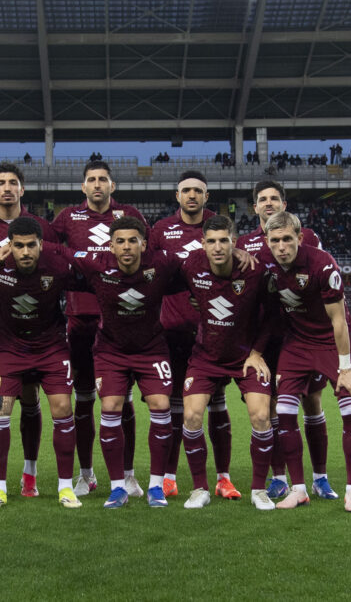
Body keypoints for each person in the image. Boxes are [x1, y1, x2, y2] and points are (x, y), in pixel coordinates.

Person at [70, 217, 183, 508]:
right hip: (110, 351)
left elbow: (197, 265)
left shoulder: (163, 263)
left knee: (161, 405)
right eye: (120, 241)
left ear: (144, 244)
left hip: (152, 349)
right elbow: (60, 254)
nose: (127, 246)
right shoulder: (97, 264)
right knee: (110, 407)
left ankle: (156, 487)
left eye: (133, 240)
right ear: (111, 245)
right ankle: (118, 487)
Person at [50, 160, 147, 497]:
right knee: (84, 400)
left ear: (112, 186)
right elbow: (50, 250)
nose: (97, 185)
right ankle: (86, 474)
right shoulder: (67, 218)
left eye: (103, 179)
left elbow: (145, 256)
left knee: (124, 400)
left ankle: (130, 475)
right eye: (91, 180)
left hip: (122, 320)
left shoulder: (129, 215)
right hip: (80, 321)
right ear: (83, 187)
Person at [236, 180, 336, 501]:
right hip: (265, 338)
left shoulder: (309, 240)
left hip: (303, 334)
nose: (269, 203)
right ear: (255, 208)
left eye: (274, 198)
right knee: (275, 407)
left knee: (312, 402)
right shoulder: (245, 244)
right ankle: (279, 476)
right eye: (262, 199)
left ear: (284, 204)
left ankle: (320, 476)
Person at [264, 211, 351, 512]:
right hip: (296, 343)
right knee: (283, 411)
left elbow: (339, 320)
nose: (281, 246)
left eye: (287, 239)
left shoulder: (323, 264)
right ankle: (297, 489)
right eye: (275, 241)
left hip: (330, 343)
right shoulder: (267, 267)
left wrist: (345, 367)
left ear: (299, 237)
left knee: (350, 408)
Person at [0, 217, 81, 510]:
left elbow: (96, 279)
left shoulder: (58, 266)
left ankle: (65, 488)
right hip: (9, 348)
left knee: (62, 408)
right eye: (18, 246)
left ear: (40, 245)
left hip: (50, 347)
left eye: (31, 246)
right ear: (9, 246)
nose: (25, 252)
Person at [148, 171, 239, 501]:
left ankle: (223, 477)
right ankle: (169, 476)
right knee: (173, 406)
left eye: (197, 191)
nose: (191, 195)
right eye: (185, 190)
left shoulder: (219, 226)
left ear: (206, 195)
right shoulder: (160, 230)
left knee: (216, 403)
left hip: (213, 332)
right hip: (171, 332)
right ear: (177, 196)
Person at [0, 164, 56, 499]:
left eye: (13, 183)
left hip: (30, 325)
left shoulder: (41, 227)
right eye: (1, 183)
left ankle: (30, 474)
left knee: (31, 398)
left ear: (23, 189)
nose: (7, 188)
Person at [177, 215, 277, 510]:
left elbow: (272, 316)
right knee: (192, 415)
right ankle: (199, 489)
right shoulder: (191, 266)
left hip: (246, 356)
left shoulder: (255, 271)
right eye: (211, 241)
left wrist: (257, 352)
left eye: (224, 240)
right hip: (206, 356)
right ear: (203, 244)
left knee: (261, 416)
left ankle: (259, 490)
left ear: (235, 242)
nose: (218, 247)